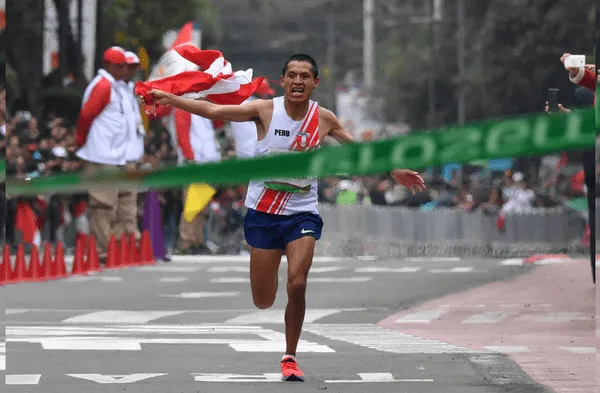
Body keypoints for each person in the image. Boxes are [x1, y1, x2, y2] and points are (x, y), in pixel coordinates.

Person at [144, 53, 425, 382]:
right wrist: (171, 98)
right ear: (283, 80)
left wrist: (393, 170)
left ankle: (290, 356)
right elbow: (213, 110)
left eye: (305, 76)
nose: (298, 81)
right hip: (263, 214)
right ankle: (270, 274)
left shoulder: (324, 119)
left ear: (315, 83)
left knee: (298, 283)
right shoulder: (265, 110)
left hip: (301, 213)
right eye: (292, 75)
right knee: (263, 300)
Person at [75, 46, 128, 263]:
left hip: (111, 155)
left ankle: (106, 248)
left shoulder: (112, 86)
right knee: (103, 205)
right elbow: (87, 114)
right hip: (101, 155)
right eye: (121, 66)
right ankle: (101, 250)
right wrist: (80, 140)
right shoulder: (103, 85)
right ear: (109, 66)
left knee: (110, 205)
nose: (125, 70)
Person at [113, 51, 145, 242]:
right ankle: (122, 239)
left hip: (132, 156)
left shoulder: (130, 90)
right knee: (119, 201)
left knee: (129, 200)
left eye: (135, 68)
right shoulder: (114, 89)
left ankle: (128, 238)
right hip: (119, 155)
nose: (133, 71)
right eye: (130, 67)